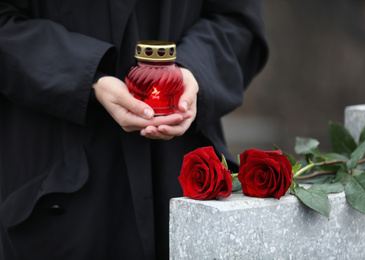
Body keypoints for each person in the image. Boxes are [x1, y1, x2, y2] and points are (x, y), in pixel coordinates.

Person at [0, 0, 268, 259]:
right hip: (56, 175)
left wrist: (192, 71)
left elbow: (236, 19)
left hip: (181, 169)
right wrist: (87, 76)